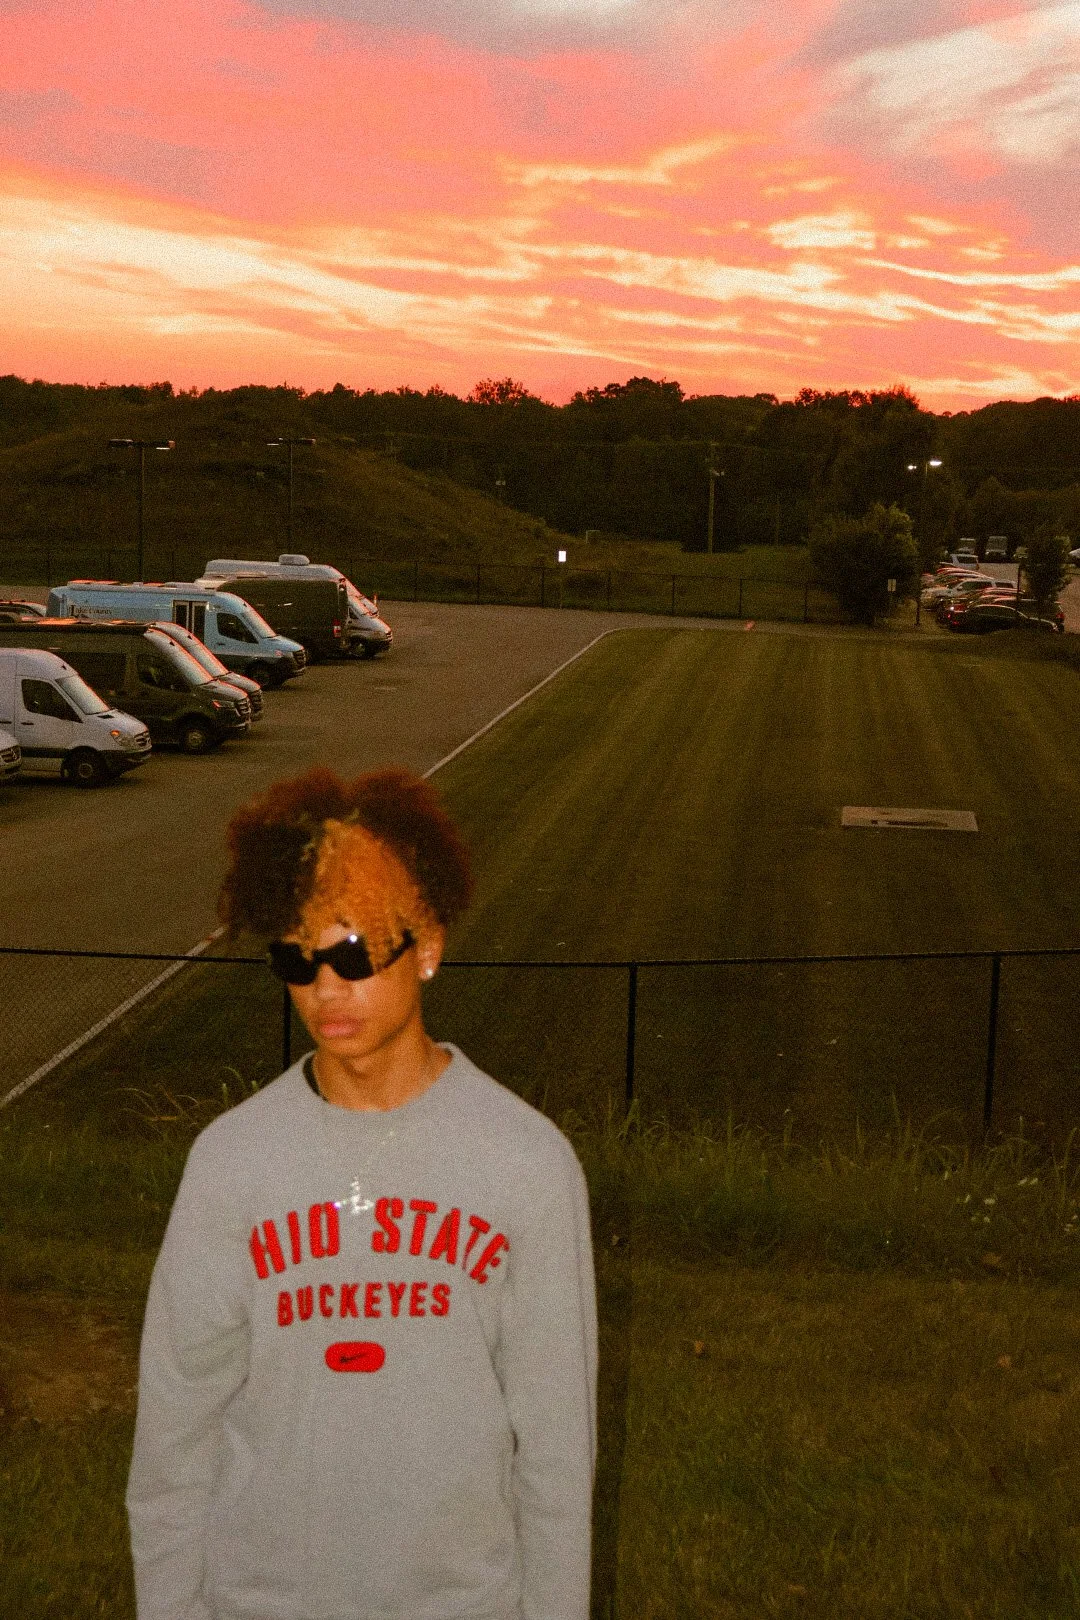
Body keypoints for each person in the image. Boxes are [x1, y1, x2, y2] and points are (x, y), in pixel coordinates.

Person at [127, 766, 598, 1620]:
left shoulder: (526, 1165)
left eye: (351, 951)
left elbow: (558, 1451)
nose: (325, 986)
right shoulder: (231, 1163)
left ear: (426, 949)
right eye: (297, 957)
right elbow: (174, 1434)